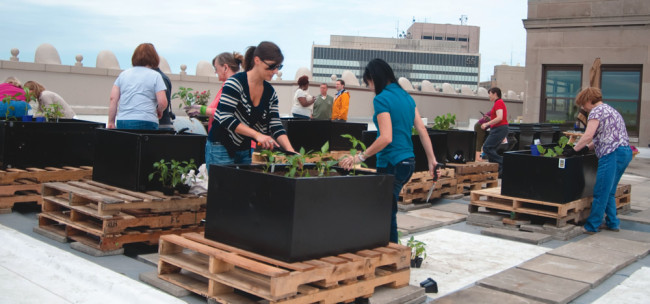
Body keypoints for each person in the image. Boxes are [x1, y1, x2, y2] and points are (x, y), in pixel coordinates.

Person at [340, 58, 437, 243]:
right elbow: (422, 130)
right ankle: (388, 249)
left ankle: (391, 253)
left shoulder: (381, 99)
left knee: (386, 212)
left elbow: (386, 137)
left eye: (368, 83)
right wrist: (432, 160)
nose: (369, 88)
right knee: (386, 208)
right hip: (408, 163)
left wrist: (360, 157)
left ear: (374, 78)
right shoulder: (407, 97)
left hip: (392, 162)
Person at [208, 41, 296, 166]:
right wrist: (257, 135)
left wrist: (291, 152)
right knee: (223, 185)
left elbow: (275, 124)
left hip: (244, 147)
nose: (275, 71)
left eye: (278, 67)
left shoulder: (270, 92)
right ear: (257, 60)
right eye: (271, 66)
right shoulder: (235, 83)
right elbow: (225, 117)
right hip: (220, 145)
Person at [564, 87, 632, 234]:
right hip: (624, 152)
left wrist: (574, 150)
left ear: (589, 100)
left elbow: (588, 135)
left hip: (611, 154)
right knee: (610, 191)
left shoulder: (596, 111)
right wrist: (585, 148)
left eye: (583, 104)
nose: (583, 108)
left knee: (601, 191)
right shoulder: (611, 110)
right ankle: (613, 223)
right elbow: (602, 137)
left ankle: (591, 226)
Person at [108, 43, 168, 129]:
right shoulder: (156, 76)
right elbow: (162, 102)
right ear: (154, 58)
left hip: (123, 120)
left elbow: (113, 99)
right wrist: (159, 110)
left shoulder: (123, 75)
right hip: (146, 120)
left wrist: (111, 122)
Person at [185, 52, 243, 133]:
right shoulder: (234, 84)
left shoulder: (231, 86)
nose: (215, 72)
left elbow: (224, 113)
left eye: (216, 68)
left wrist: (200, 109)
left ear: (225, 68)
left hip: (223, 138)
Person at [481, 87, 508, 177]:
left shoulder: (498, 102)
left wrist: (487, 123)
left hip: (499, 128)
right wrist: (490, 119)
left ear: (495, 94)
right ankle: (498, 170)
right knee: (492, 149)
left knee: (487, 148)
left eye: (490, 94)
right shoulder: (498, 103)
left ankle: (503, 163)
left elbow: (500, 117)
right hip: (499, 128)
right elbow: (499, 117)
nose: (489, 96)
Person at [153, 66, 174, 131]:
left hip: (160, 124)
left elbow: (162, 103)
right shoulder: (161, 76)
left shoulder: (158, 77)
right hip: (163, 123)